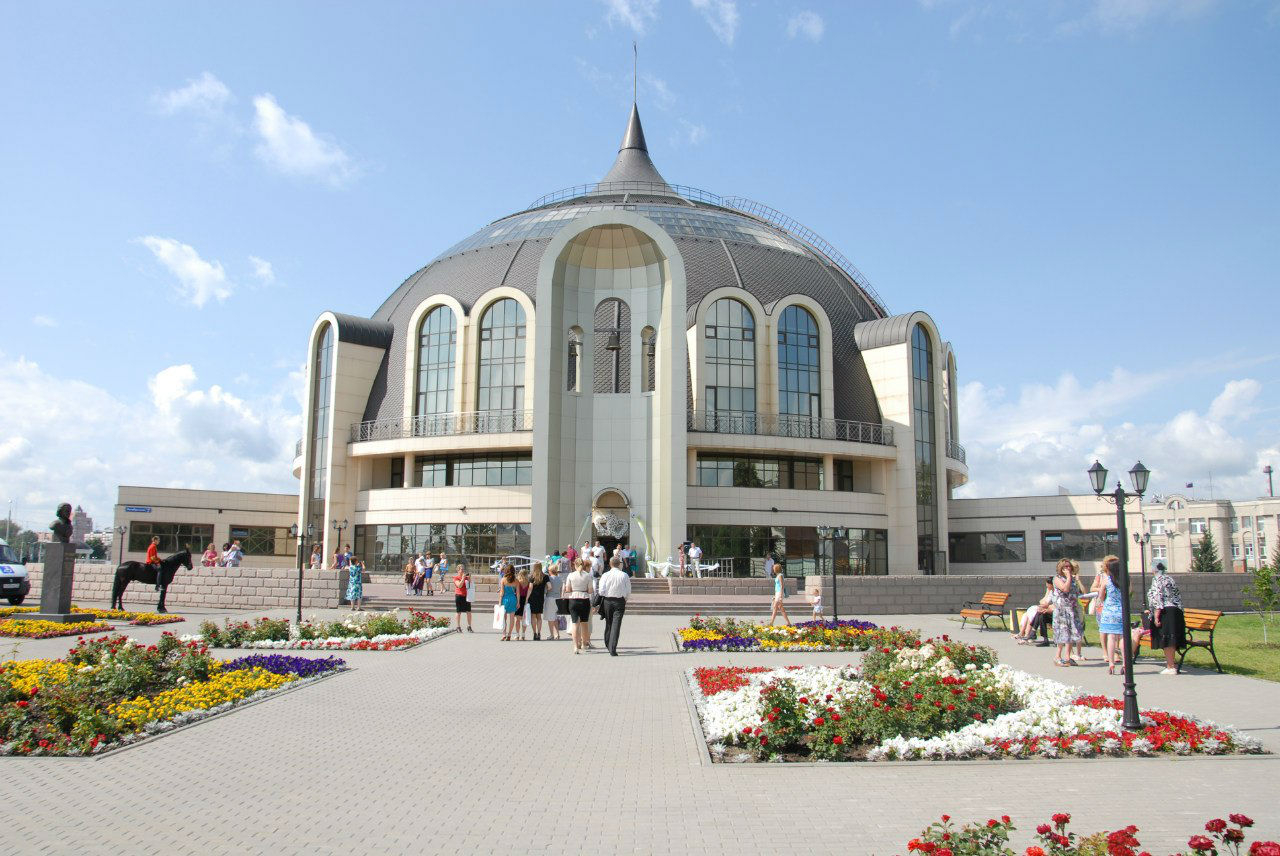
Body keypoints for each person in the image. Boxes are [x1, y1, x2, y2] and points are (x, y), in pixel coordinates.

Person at [1144, 561, 1186, 675]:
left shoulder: (1157, 579)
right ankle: (1171, 664)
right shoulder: (1169, 578)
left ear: (1154, 569)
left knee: (1167, 639)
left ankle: (1171, 666)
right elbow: (1177, 596)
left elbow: (1158, 597)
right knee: (1170, 638)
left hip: (1165, 612)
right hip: (1176, 611)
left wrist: (1156, 616)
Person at [1095, 556, 1126, 674]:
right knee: (1122, 637)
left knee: (1111, 637)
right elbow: (1129, 593)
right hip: (1121, 610)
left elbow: (1101, 596)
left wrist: (1101, 602)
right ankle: (1125, 664)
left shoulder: (1106, 580)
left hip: (1109, 611)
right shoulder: (1125, 579)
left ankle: (1111, 663)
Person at [597, 557, 632, 656]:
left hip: (607, 601)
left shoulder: (605, 575)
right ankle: (612, 648)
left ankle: (608, 644)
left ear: (610, 564)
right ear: (619, 564)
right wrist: (625, 599)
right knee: (616, 624)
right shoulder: (624, 575)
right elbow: (628, 590)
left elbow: (601, 591)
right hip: (619, 601)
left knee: (609, 623)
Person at [1051, 558, 1083, 666]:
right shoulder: (1057, 578)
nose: (1068, 568)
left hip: (1072, 609)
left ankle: (1068, 657)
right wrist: (1069, 577)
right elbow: (1065, 589)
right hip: (1062, 610)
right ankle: (1057, 656)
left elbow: (1078, 592)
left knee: (1070, 633)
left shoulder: (1072, 579)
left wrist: (1073, 579)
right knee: (1062, 632)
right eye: (1065, 567)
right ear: (1061, 568)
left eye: (1069, 566)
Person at [565, 558, 594, 654]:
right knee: (584, 624)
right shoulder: (588, 575)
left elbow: (568, 589)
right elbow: (590, 590)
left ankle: (575, 646)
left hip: (573, 599)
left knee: (574, 624)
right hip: (584, 599)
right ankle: (584, 644)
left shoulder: (571, 575)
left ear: (575, 565)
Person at [1013, 579, 1054, 644]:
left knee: (1036, 613)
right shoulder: (1051, 592)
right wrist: (1047, 593)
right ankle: (1028, 634)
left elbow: (1053, 605)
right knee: (1031, 613)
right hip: (1048, 610)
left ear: (1051, 584)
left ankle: (1028, 634)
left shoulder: (1057, 592)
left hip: (1054, 612)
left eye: (1047, 584)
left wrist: (1046, 606)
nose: (1046, 586)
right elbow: (1042, 602)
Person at [528, 562, 549, 640]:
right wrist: (545, 590)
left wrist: (527, 598)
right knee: (539, 616)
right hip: (540, 598)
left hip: (532, 598)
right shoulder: (545, 576)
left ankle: (534, 634)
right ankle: (539, 633)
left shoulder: (531, 576)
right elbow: (550, 586)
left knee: (533, 616)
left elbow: (530, 588)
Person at [545, 559, 565, 641]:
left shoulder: (549, 579)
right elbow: (561, 589)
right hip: (558, 598)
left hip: (550, 598)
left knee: (550, 618)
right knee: (555, 617)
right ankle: (557, 634)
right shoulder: (560, 579)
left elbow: (547, 590)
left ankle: (552, 634)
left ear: (550, 571)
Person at [499, 564, 519, 641]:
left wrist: (500, 602)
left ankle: (504, 634)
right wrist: (518, 602)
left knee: (504, 618)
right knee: (512, 618)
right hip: (513, 599)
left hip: (505, 599)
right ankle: (509, 634)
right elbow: (518, 593)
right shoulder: (516, 580)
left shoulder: (503, 580)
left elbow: (502, 592)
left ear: (506, 571)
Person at [452, 561, 473, 632]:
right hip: (459, 596)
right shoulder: (456, 578)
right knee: (458, 612)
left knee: (469, 611)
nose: (463, 571)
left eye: (464, 569)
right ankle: (458, 627)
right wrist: (463, 578)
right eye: (461, 569)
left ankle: (469, 626)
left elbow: (470, 586)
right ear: (458, 570)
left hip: (466, 596)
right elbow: (459, 585)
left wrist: (469, 579)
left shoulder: (466, 577)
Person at [514, 569, 532, 640]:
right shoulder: (529, 582)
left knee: (517, 619)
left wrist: (518, 602)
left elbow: (517, 592)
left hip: (518, 600)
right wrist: (526, 600)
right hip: (526, 600)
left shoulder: (518, 582)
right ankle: (523, 635)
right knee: (525, 618)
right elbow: (529, 591)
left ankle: (517, 635)